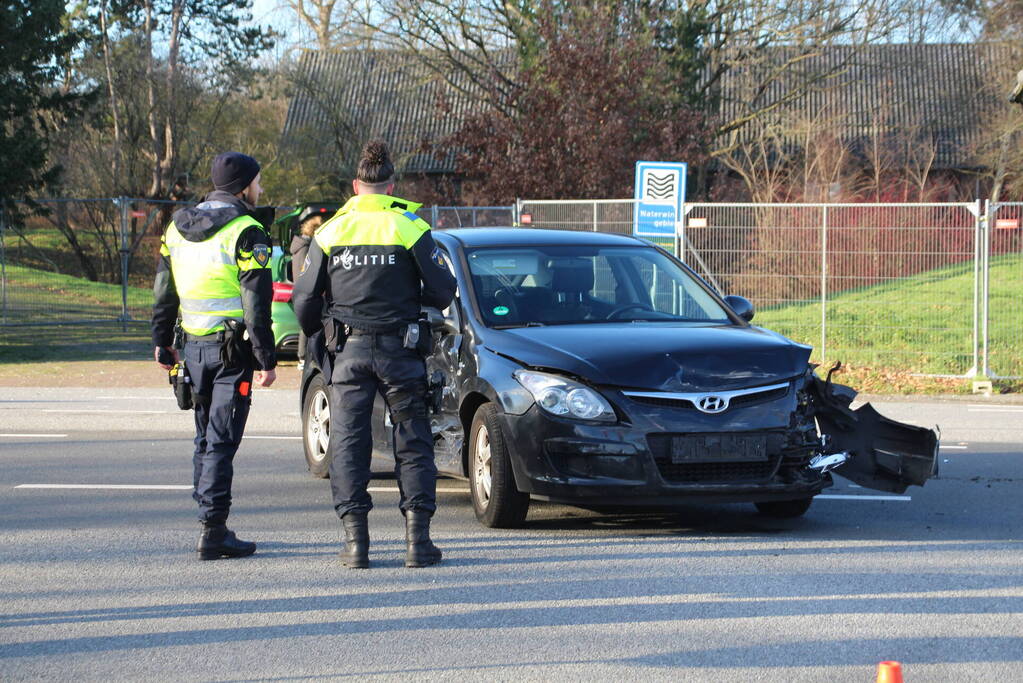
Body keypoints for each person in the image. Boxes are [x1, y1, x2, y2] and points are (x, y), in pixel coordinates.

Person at [292, 140, 456, 569]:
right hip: (401, 351)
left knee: (349, 441)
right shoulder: (409, 227)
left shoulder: (330, 231)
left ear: (355, 185)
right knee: (413, 440)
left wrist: (319, 336)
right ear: (391, 185)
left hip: (348, 351)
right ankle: (418, 543)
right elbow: (443, 291)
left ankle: (355, 544)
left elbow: (304, 301)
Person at [152, 151, 278, 560]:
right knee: (222, 440)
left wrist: (161, 341)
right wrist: (266, 359)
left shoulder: (176, 227)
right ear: (243, 186)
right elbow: (257, 303)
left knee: (205, 435)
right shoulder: (247, 230)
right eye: (257, 182)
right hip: (232, 351)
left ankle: (206, 515)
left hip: (192, 348)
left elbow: (162, 291)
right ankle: (213, 530)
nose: (260, 190)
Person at [289, 209, 324, 370]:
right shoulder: (306, 248)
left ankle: (304, 356)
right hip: (307, 290)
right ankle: (303, 357)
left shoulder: (298, 247)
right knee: (307, 324)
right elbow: (307, 271)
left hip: (299, 290)